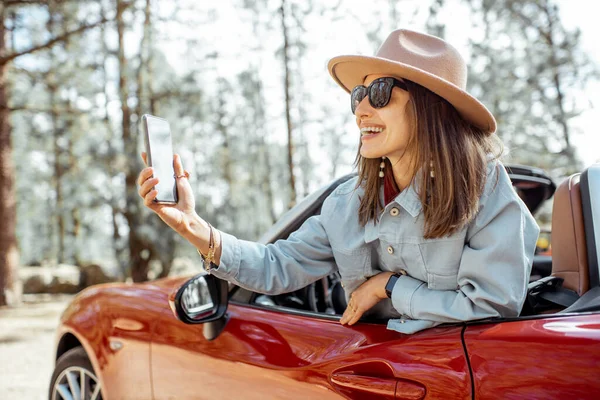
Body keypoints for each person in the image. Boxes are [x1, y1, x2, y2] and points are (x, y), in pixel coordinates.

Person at [137, 29, 540, 334]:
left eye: (380, 92)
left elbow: (493, 307)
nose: (360, 108)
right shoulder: (347, 202)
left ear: (431, 107)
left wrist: (388, 286)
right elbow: (277, 267)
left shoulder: (486, 191)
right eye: (359, 93)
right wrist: (191, 224)